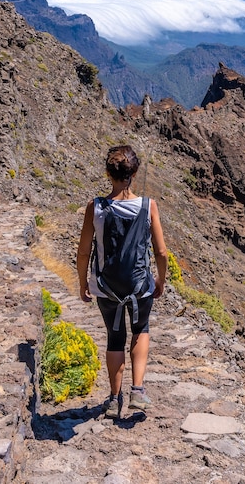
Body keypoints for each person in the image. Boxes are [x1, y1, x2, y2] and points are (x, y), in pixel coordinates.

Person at [76, 145, 168, 418]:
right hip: (140, 285)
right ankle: (137, 391)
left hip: (106, 287)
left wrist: (83, 282)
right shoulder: (148, 206)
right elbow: (161, 252)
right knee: (140, 330)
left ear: (108, 173)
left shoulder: (96, 207)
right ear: (134, 173)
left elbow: (83, 251)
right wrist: (160, 280)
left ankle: (114, 398)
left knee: (114, 337)